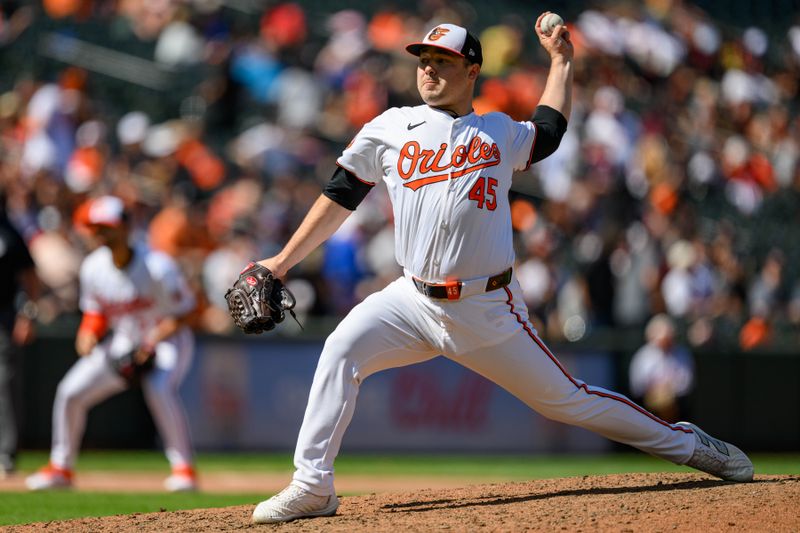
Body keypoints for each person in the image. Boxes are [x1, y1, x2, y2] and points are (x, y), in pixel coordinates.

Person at [246, 14, 753, 524]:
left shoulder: (497, 132)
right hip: (411, 300)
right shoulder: (390, 127)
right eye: (424, 61)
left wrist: (560, 61)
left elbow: (550, 130)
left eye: (442, 62)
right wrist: (282, 261)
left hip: (487, 306)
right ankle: (312, 485)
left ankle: (686, 443)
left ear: (472, 70)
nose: (429, 71)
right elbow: (340, 195)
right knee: (340, 348)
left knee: (567, 402)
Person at [25, 196, 199, 491]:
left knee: (159, 388)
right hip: (125, 341)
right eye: (96, 228)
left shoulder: (157, 266)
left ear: (125, 228)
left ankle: (183, 469)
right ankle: (61, 468)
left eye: (107, 227)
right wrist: (87, 333)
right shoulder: (93, 267)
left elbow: (187, 312)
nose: (101, 234)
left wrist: (153, 340)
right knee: (70, 391)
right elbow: (95, 312)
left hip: (169, 341)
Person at [0, 203, 40, 478]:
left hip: (4, 316)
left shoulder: (8, 231)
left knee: (4, 381)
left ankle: (5, 453)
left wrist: (28, 314)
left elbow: (30, 276)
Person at [629, 314, 694, 422]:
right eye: (662, 339)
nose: (665, 342)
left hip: (677, 406)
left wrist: (669, 391)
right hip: (647, 409)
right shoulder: (643, 356)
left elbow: (686, 383)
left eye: (668, 338)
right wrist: (655, 392)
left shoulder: (682, 353)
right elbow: (637, 386)